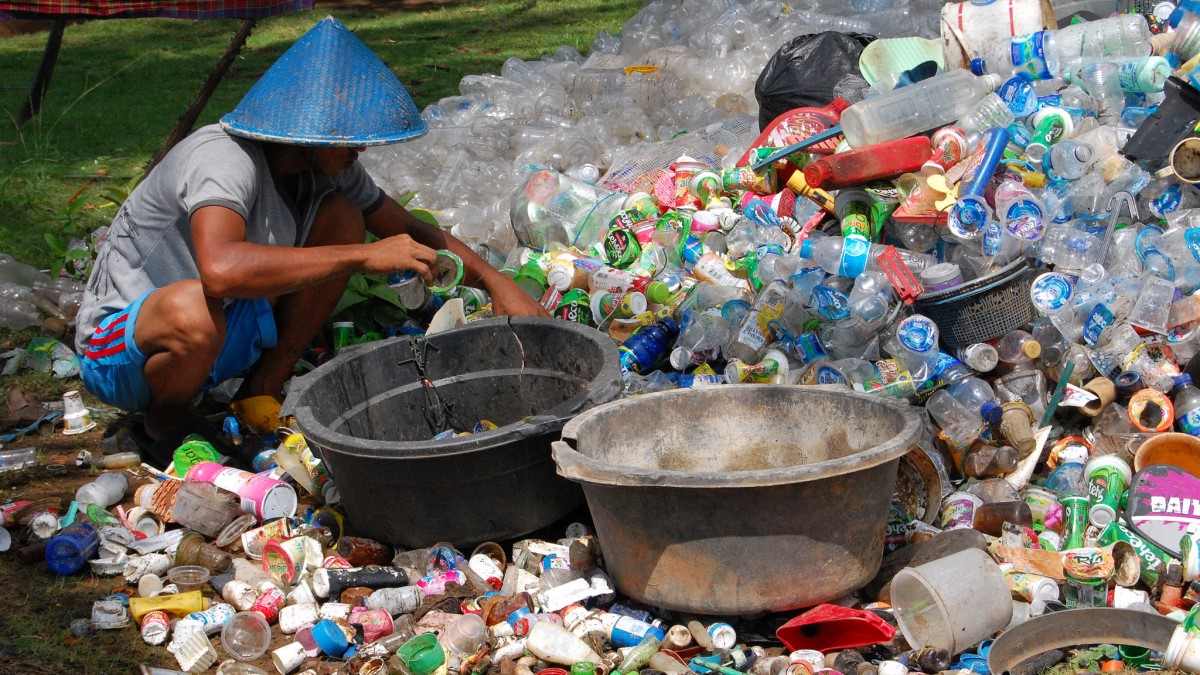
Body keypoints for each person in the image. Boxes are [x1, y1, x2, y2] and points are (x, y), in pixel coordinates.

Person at [75, 16, 546, 463]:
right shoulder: (224, 159)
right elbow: (219, 271)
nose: (359, 150)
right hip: (121, 352)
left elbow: (414, 232)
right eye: (349, 139)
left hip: (221, 334)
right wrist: (363, 256)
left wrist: (495, 281)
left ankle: (260, 389)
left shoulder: (329, 171)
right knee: (195, 310)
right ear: (307, 132)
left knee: (343, 217)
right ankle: (164, 423)